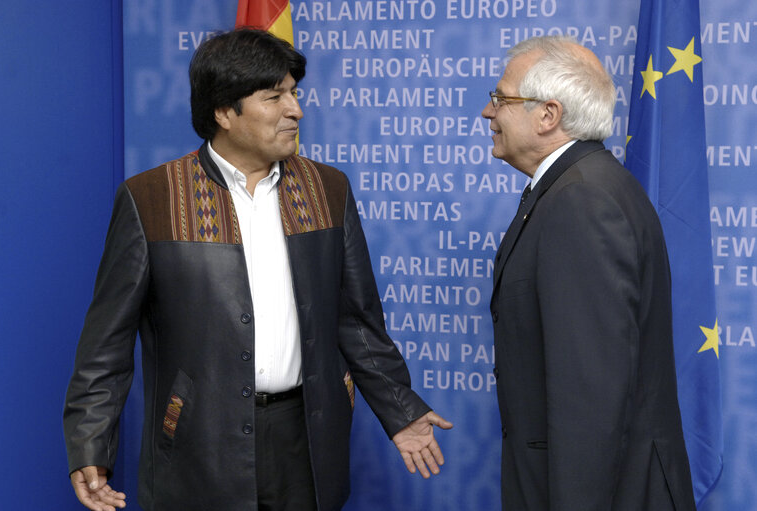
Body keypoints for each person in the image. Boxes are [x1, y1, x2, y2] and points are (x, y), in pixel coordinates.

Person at [64, 28, 451, 511]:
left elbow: (357, 320)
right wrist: (90, 445)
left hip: (307, 441)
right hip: (197, 448)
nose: (296, 110)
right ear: (225, 112)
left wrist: (402, 411)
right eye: (275, 97)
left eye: (294, 93)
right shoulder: (151, 198)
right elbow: (107, 343)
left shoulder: (327, 190)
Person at [482, 36, 696, 510]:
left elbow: (591, 394)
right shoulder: (582, 186)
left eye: (500, 98)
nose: (487, 112)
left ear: (548, 114)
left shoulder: (581, 201)